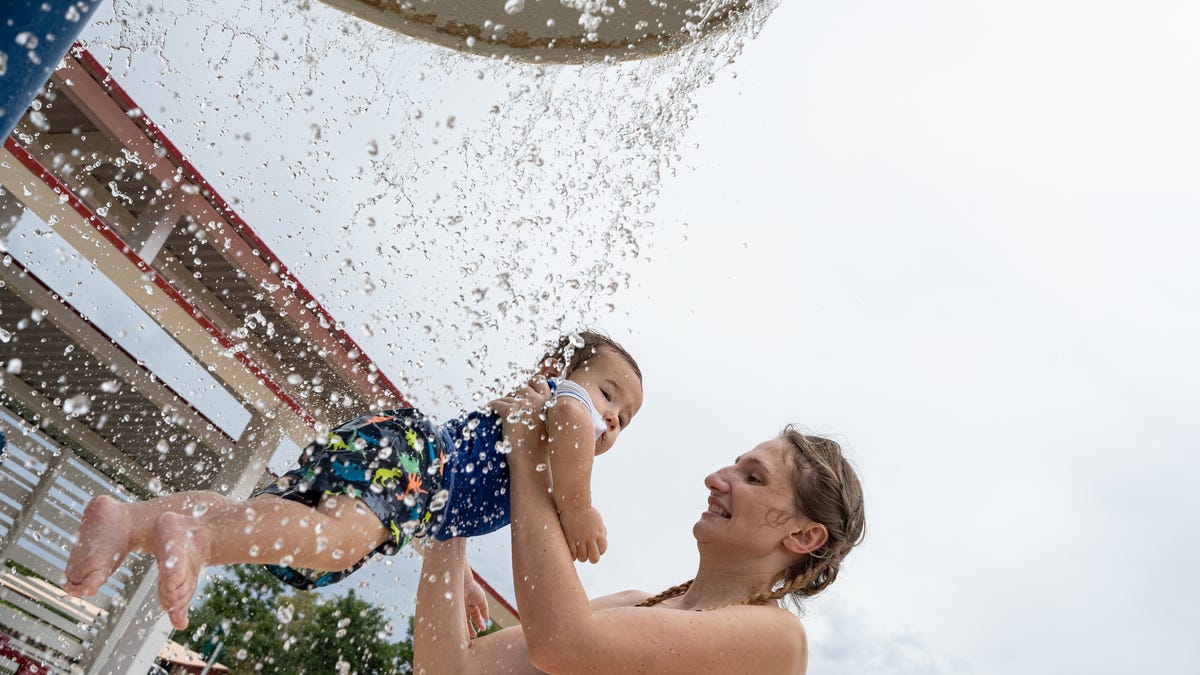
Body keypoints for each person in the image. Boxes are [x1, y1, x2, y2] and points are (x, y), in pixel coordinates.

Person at [63, 331, 643, 630]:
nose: (610, 417)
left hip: (404, 467)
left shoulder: (537, 449)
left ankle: (133, 522)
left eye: (625, 420)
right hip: (411, 454)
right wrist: (579, 507)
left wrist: (461, 573)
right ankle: (200, 541)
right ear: (556, 374)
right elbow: (572, 419)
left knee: (286, 532)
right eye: (609, 394)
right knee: (337, 544)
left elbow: (443, 506)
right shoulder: (558, 409)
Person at [412, 377, 865, 674]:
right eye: (734, 465)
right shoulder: (637, 604)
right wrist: (451, 523)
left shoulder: (778, 641)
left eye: (753, 478)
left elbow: (561, 643)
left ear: (804, 535)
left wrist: (527, 457)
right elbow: (450, 667)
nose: (715, 479)